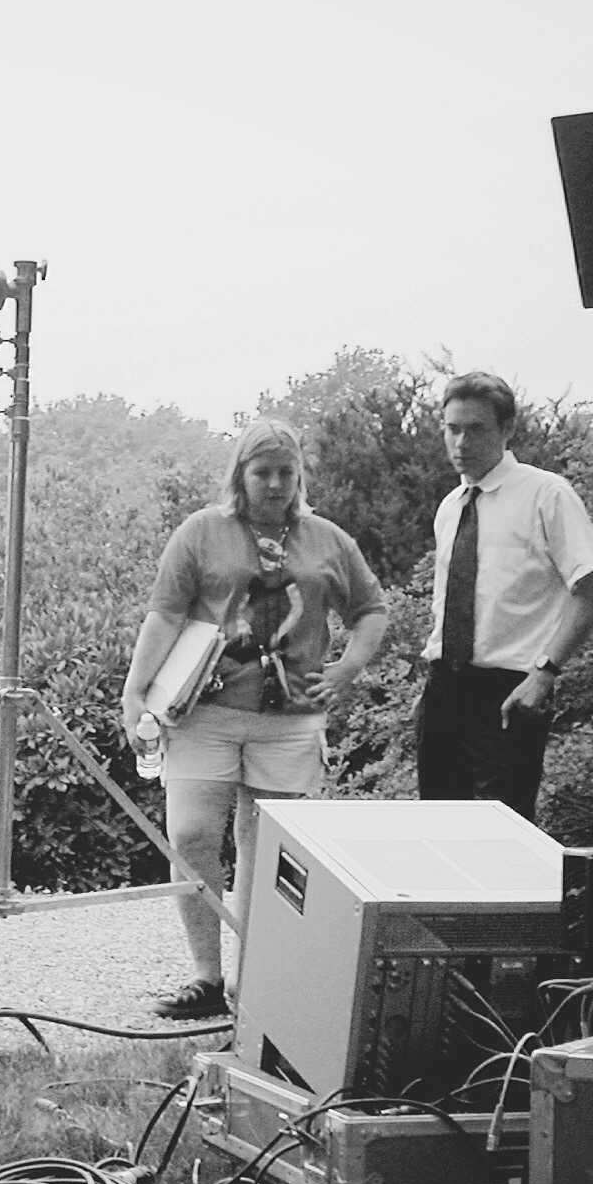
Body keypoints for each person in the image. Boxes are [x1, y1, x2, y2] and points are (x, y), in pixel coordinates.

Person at [120, 419, 389, 1019]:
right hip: (204, 711)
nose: (274, 484)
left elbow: (371, 611)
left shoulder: (326, 540)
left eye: (285, 473)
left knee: (266, 849)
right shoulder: (201, 532)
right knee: (191, 836)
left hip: (291, 718)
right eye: (262, 472)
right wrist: (136, 691)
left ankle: (259, 978)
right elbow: (164, 615)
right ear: (240, 474)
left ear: (299, 477)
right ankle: (205, 979)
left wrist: (347, 667)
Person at [416, 371, 593, 822]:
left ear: (506, 430)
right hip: (444, 686)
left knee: (502, 833)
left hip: (509, 689)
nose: (461, 442)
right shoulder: (452, 506)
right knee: (437, 826)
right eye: (453, 429)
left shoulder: (546, 494)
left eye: (476, 429)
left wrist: (545, 673)